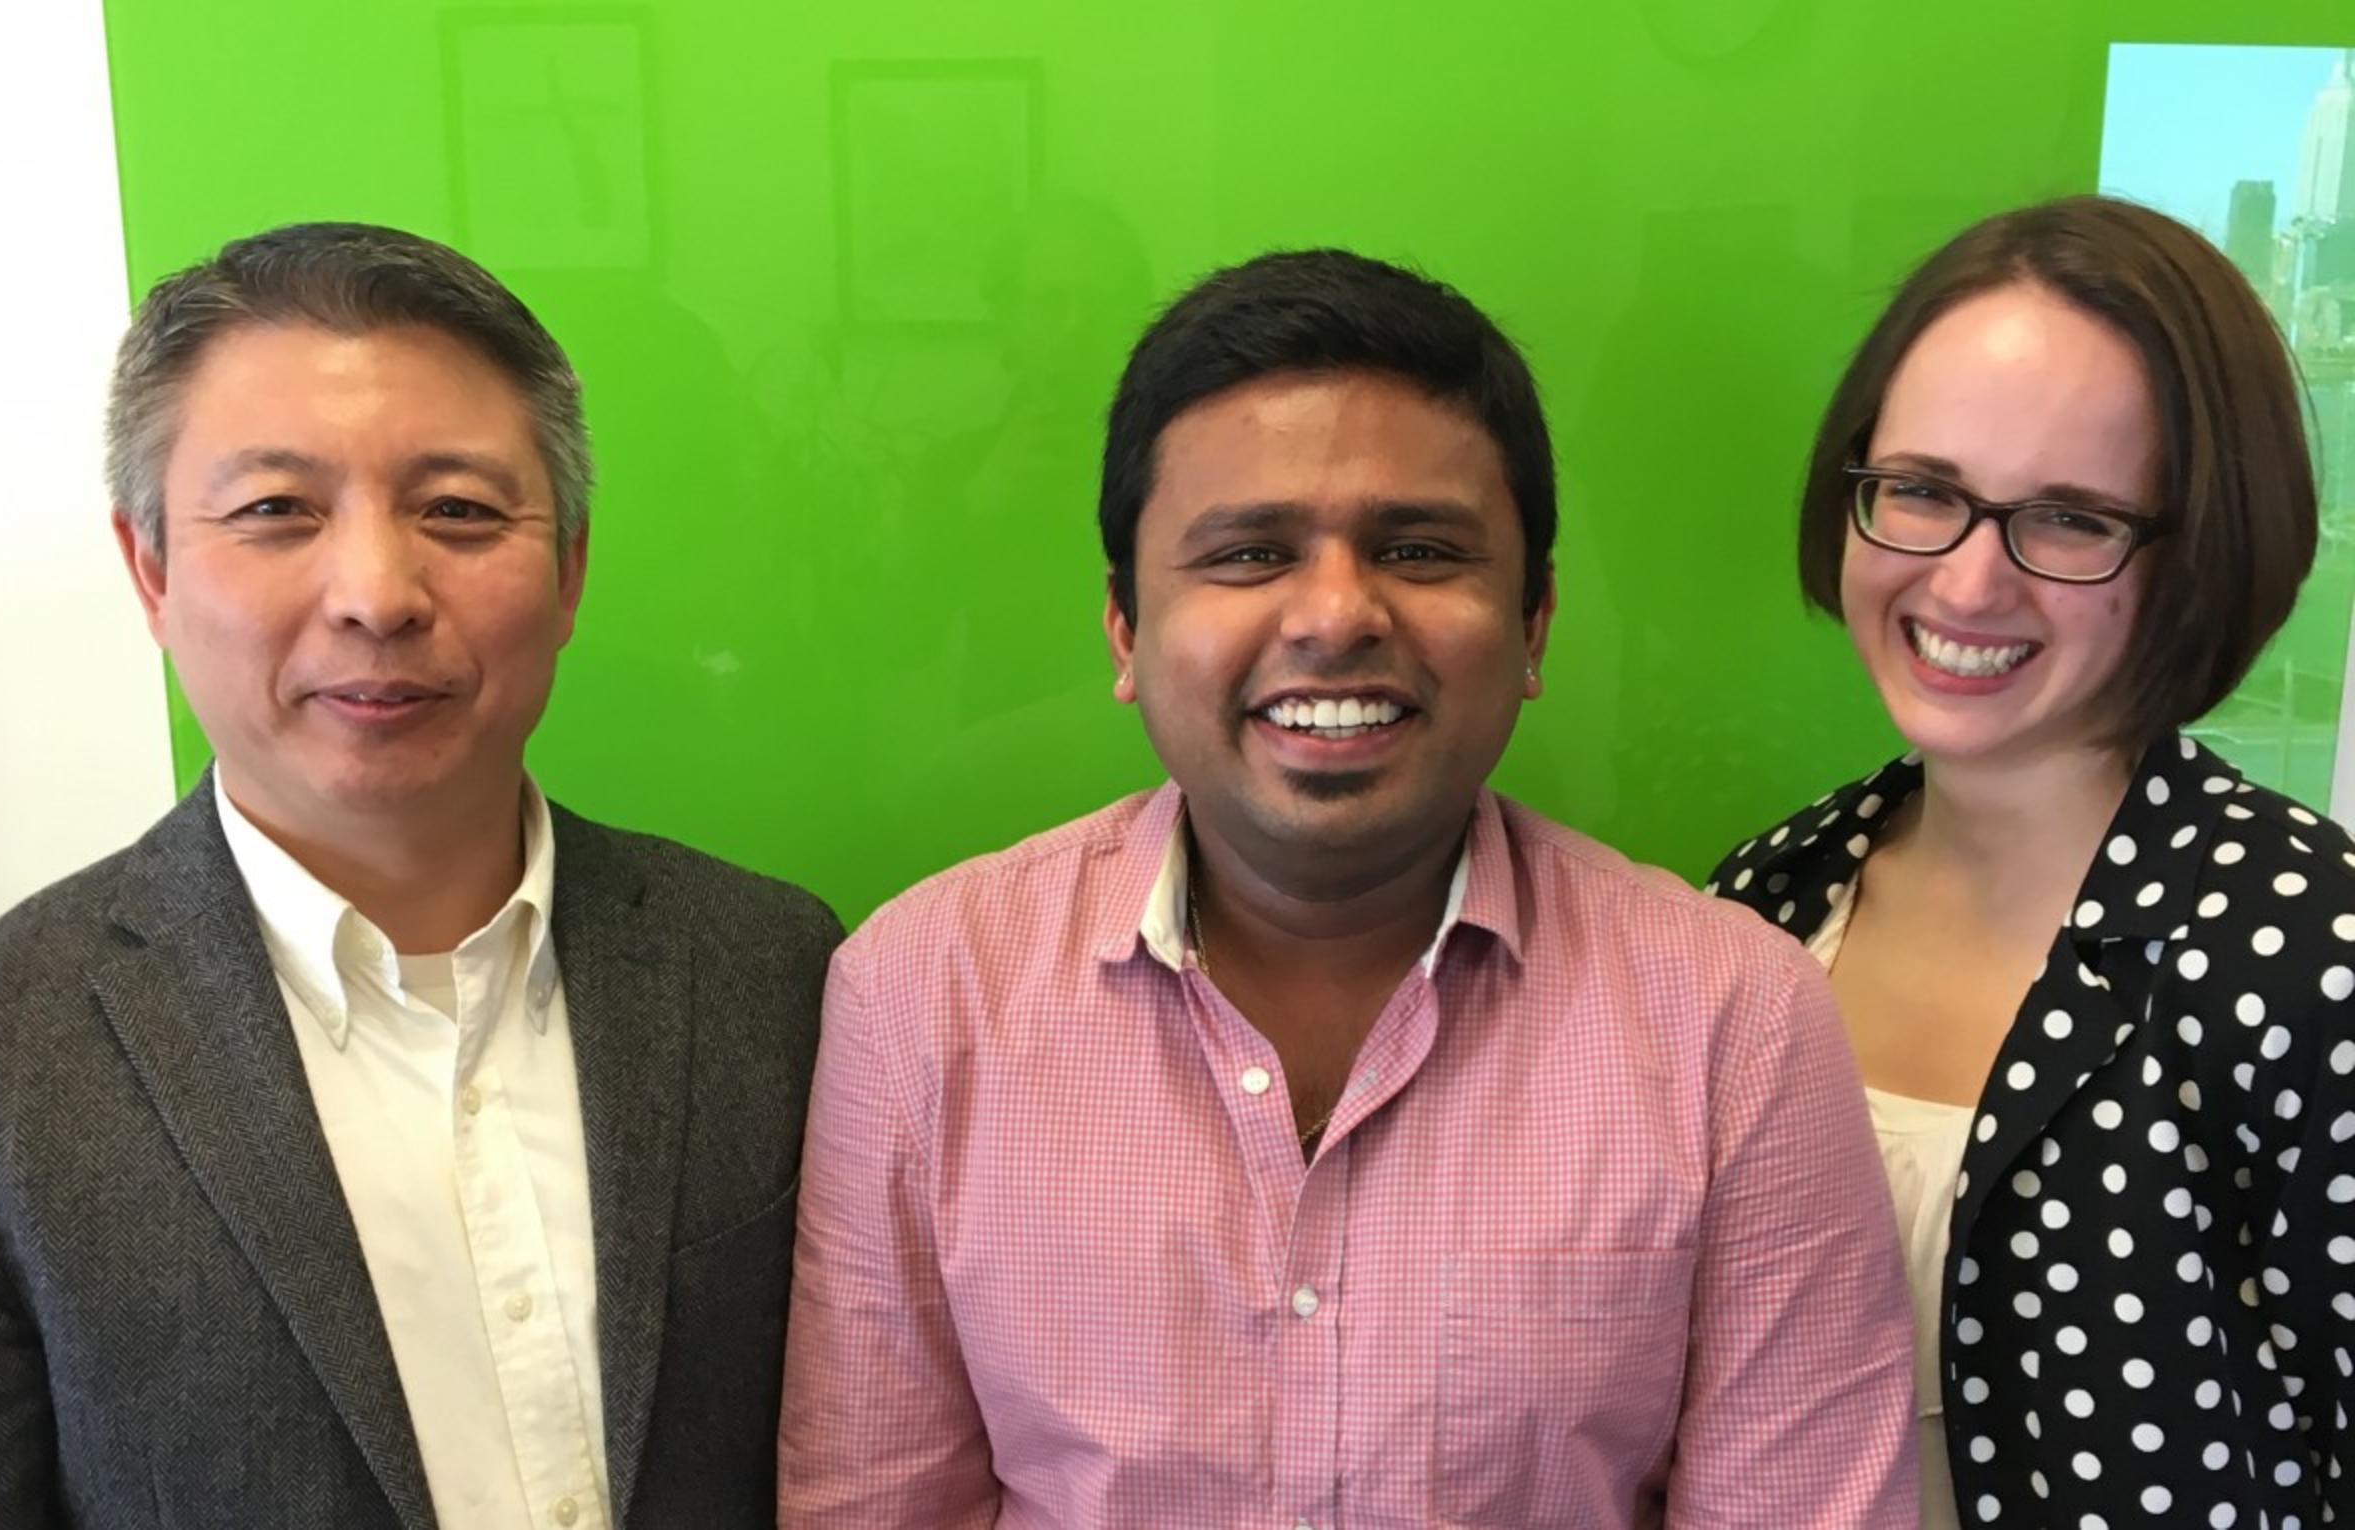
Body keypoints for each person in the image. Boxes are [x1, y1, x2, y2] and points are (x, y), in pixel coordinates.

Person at [780, 248, 1917, 1527]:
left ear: (1533, 622)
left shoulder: (1733, 1024)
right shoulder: (921, 996)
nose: (1334, 614)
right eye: (1251, 554)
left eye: (1419, 549)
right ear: (1125, 628)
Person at [0, 222, 839, 1529]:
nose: (377, 591)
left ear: (568, 567)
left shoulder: (778, 966)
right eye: (276, 512)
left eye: (460, 511)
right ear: (149, 569)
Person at [1708, 195, 2346, 1529]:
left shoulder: (2309, 962)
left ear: (2200, 549)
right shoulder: (1766, 899)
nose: (1967, 583)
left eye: (2068, 518)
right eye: (1923, 490)